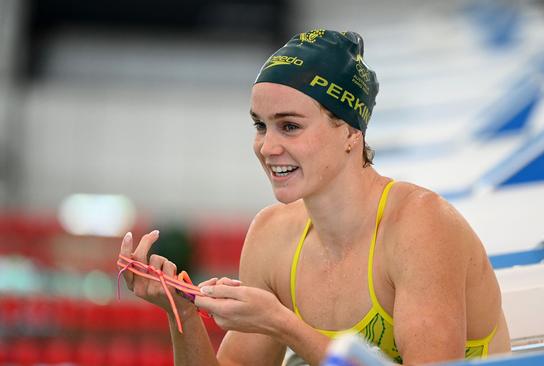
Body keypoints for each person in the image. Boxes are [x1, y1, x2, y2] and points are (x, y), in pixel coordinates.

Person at [118, 29, 511, 365]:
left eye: (289, 126)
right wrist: (181, 312)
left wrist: (283, 324)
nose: (267, 147)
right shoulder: (272, 235)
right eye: (260, 126)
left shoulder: (421, 228)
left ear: (351, 133)